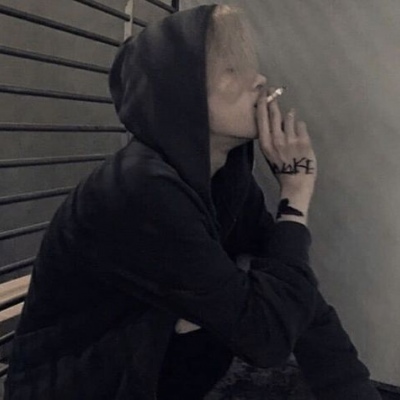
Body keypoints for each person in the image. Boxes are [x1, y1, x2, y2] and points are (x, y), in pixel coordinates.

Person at [4, 4, 382, 400]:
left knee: (249, 291)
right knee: (225, 313)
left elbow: (295, 291)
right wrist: (295, 194)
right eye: (231, 70)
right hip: (73, 384)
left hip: (137, 363)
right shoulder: (140, 189)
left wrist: (353, 390)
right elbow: (264, 339)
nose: (258, 79)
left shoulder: (225, 176)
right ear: (180, 95)